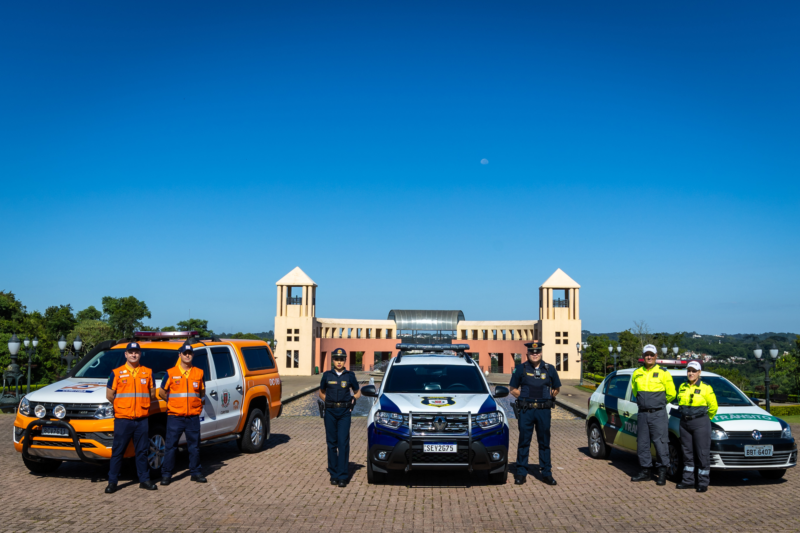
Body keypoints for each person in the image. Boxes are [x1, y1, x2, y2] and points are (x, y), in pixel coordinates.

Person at [105, 341, 158, 493]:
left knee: (141, 451)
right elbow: (110, 395)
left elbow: (152, 393)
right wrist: (124, 406)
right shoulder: (116, 372)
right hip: (123, 419)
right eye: (131, 352)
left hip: (141, 418)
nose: (134, 354)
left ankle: (144, 480)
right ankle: (112, 482)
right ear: (126, 354)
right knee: (118, 451)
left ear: (140, 354)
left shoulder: (147, 372)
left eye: (136, 352)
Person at [508, 341, 561, 486]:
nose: (535, 354)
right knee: (524, 441)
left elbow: (557, 388)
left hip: (544, 411)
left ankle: (546, 473)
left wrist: (550, 395)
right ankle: (521, 473)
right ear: (527, 354)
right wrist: (524, 398)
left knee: (544, 442)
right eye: (532, 352)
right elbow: (512, 388)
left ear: (541, 353)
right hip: (527, 411)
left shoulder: (549, 369)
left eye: (537, 352)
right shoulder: (520, 369)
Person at [158, 343, 206, 485]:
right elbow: (162, 392)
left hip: (192, 416)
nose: (187, 355)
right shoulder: (171, 373)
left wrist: (197, 405)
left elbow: (202, 392)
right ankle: (166, 475)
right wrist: (174, 404)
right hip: (175, 416)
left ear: (193, 355)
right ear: (180, 355)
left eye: (189, 353)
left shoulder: (199, 372)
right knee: (171, 446)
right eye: (184, 353)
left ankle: (196, 472)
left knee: (194, 446)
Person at [630, 344, 677, 486]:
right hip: (643, 414)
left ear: (656, 356)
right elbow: (634, 391)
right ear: (643, 356)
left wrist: (657, 403)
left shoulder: (663, 373)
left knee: (661, 443)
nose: (649, 357)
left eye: (651, 354)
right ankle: (645, 471)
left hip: (658, 414)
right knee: (643, 444)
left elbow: (671, 394)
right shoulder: (637, 373)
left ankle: (662, 472)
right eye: (646, 354)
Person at [319, 348, 360, 487]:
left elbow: (357, 392)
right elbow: (321, 392)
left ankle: (343, 476)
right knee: (332, 443)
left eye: (341, 359)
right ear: (333, 360)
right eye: (336, 359)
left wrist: (352, 400)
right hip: (330, 411)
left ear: (345, 361)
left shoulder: (350, 376)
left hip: (344, 413)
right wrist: (328, 401)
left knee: (343, 443)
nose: (339, 362)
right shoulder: (327, 375)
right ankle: (334, 474)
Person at [675, 361, 718, 492]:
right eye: (689, 371)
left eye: (694, 371)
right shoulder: (682, 386)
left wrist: (704, 420)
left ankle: (703, 482)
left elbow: (713, 407)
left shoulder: (706, 387)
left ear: (699, 373)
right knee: (687, 452)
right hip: (684, 423)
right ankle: (688, 480)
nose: (691, 373)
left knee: (702, 453)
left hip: (700, 423)